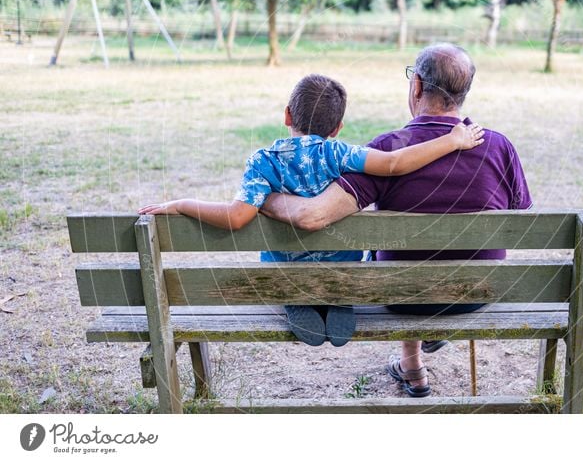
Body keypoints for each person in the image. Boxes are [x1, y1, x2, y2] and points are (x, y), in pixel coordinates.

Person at [261, 44, 532, 397]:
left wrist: (262, 197)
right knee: (430, 258)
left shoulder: (388, 149)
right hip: (476, 291)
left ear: (416, 86)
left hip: (402, 295)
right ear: (464, 94)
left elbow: (314, 215)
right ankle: (416, 358)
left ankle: (413, 365)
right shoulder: (499, 146)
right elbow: (517, 213)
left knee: (399, 260)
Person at [138, 73, 485, 348]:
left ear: (288, 115)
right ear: (337, 129)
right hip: (342, 272)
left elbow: (236, 217)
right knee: (340, 266)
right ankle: (337, 296)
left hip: (284, 275)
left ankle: (295, 297)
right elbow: (394, 163)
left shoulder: (263, 162)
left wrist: (179, 203)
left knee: (285, 272)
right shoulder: (340, 154)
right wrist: (452, 140)